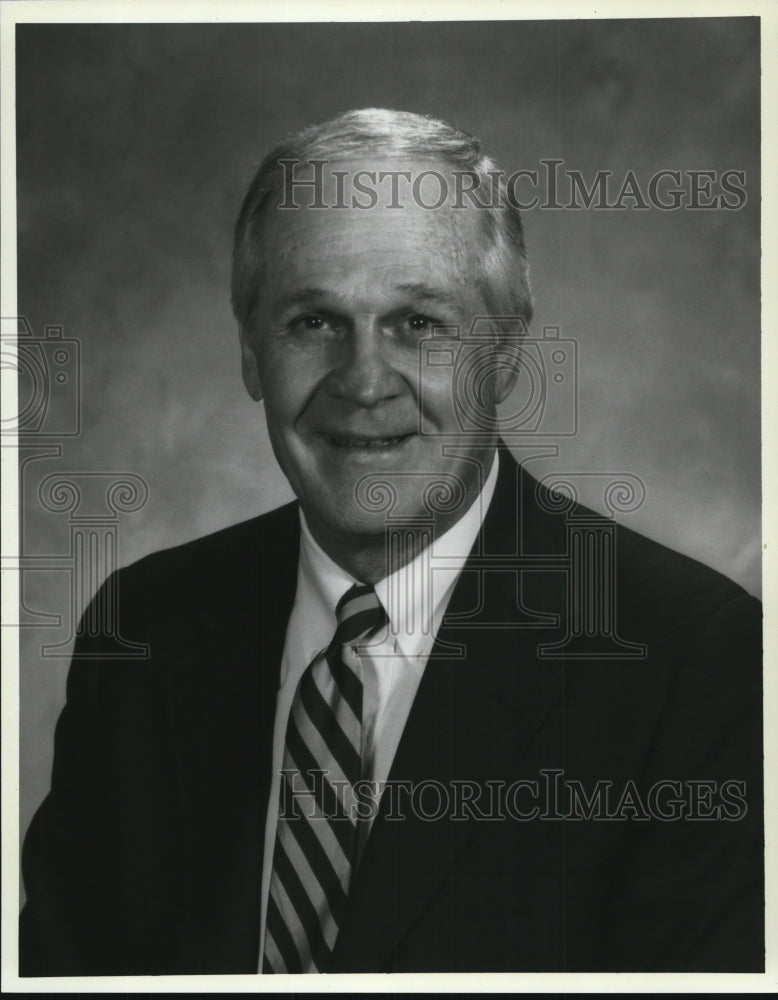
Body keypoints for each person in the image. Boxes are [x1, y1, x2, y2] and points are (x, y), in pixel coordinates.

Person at [20, 108, 763, 975]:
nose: (364, 381)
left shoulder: (694, 660)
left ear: (508, 350)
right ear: (252, 352)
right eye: (312, 321)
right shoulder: (142, 628)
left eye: (418, 323)